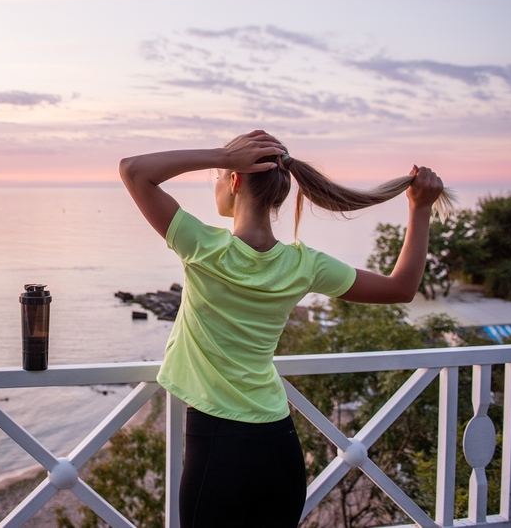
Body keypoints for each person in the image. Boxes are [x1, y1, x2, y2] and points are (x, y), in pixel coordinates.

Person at [118, 130, 451, 528]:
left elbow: (134, 171)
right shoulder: (304, 264)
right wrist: (419, 208)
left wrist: (223, 155)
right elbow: (402, 288)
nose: (218, 183)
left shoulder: (203, 246)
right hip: (279, 444)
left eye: (221, 175)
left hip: (218, 443)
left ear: (236, 179)